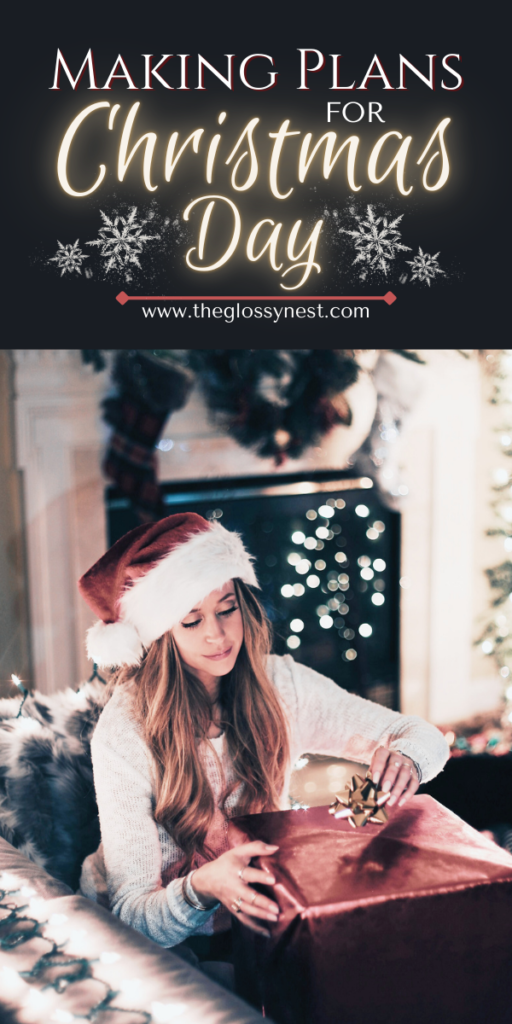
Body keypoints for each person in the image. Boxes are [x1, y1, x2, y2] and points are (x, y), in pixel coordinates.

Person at [78, 512, 449, 979]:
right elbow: (132, 916)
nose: (217, 634)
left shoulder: (280, 684)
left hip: (259, 911)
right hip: (146, 940)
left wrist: (408, 757)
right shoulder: (125, 731)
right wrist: (202, 888)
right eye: (191, 621)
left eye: (226, 608)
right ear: (160, 636)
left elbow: (423, 736)